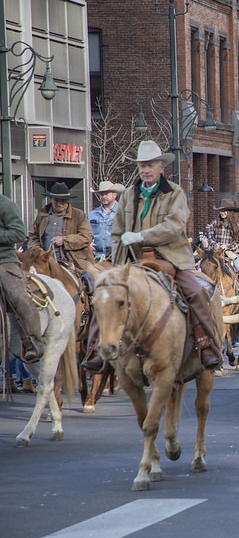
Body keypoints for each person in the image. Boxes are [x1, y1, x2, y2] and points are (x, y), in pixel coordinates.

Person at [82, 140, 221, 372]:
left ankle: (206, 343)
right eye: (142, 166)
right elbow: (117, 231)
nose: (145, 170)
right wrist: (117, 264)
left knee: (196, 292)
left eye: (150, 165)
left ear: (161, 168)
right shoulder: (129, 195)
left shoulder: (175, 193)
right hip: (133, 261)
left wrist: (140, 236)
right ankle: (97, 349)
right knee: (105, 294)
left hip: (171, 259)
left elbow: (175, 226)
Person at [0, 194, 44, 363]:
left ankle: (33, 343)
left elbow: (19, 233)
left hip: (4, 261)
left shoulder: (6, 205)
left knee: (18, 297)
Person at [28, 181, 94, 272]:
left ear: (68, 200)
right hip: (45, 261)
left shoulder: (78, 215)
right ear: (51, 199)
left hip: (74, 262)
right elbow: (33, 236)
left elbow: (86, 236)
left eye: (63, 201)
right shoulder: (42, 215)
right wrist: (39, 251)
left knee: (89, 281)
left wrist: (64, 240)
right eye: (56, 200)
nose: (59, 203)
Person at [204, 199, 239, 291]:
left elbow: (238, 242)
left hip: (231, 252)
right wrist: (216, 245)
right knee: (203, 267)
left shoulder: (237, 226)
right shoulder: (214, 223)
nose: (222, 213)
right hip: (215, 252)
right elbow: (210, 238)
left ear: (230, 212)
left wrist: (227, 247)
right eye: (221, 211)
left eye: (225, 210)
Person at [87, 181, 125, 261]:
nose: (103, 196)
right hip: (96, 257)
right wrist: (88, 243)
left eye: (106, 194)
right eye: (101, 194)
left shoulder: (123, 213)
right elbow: (86, 233)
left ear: (114, 195)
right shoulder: (92, 215)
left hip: (117, 256)